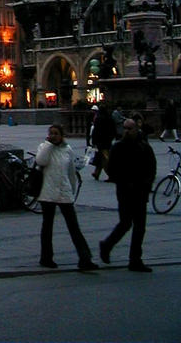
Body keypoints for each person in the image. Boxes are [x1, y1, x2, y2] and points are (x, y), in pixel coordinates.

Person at [36, 124, 98, 270]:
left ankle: (85, 258)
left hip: (64, 192)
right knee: (47, 227)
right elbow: (41, 161)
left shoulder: (67, 150)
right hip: (48, 193)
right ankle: (46, 258)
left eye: (56, 133)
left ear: (61, 135)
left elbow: (71, 172)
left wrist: (72, 190)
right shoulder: (44, 147)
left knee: (73, 226)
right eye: (51, 133)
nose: (53, 136)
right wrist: (48, 145)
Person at [99, 119, 157, 272]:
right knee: (125, 223)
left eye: (129, 128)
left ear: (136, 129)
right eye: (124, 128)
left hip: (140, 192)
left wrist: (146, 185)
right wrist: (123, 181)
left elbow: (151, 168)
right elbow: (111, 169)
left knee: (139, 227)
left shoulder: (144, 147)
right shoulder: (118, 147)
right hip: (125, 191)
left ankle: (135, 259)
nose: (126, 131)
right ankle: (107, 245)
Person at [91, 105, 116, 180]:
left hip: (100, 141)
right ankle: (96, 173)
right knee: (101, 156)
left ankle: (111, 175)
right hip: (107, 141)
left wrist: (94, 141)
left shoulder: (99, 119)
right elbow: (113, 130)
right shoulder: (110, 118)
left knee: (104, 158)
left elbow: (96, 131)